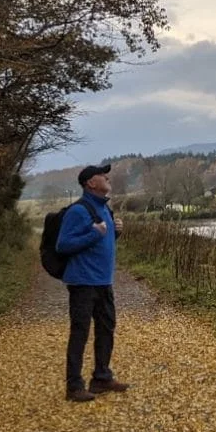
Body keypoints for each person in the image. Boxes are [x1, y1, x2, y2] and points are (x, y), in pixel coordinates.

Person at [57, 164, 129, 402]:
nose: (107, 177)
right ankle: (74, 386)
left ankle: (101, 378)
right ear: (90, 183)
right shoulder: (78, 211)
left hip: (103, 282)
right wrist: (94, 234)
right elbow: (63, 245)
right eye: (102, 175)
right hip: (82, 283)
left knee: (106, 329)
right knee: (80, 333)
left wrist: (114, 233)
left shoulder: (104, 209)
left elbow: (100, 241)